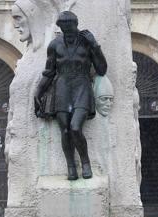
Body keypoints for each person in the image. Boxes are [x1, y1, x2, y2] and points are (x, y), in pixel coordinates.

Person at [35, 11, 107, 180]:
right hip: (62, 88)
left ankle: (85, 162)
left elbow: (102, 69)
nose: (69, 33)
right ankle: (71, 167)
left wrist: (94, 45)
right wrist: (38, 91)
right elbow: (49, 72)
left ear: (76, 25)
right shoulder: (54, 45)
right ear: (60, 28)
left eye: (71, 28)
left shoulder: (86, 42)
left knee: (75, 127)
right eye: (65, 29)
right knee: (65, 130)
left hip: (82, 86)